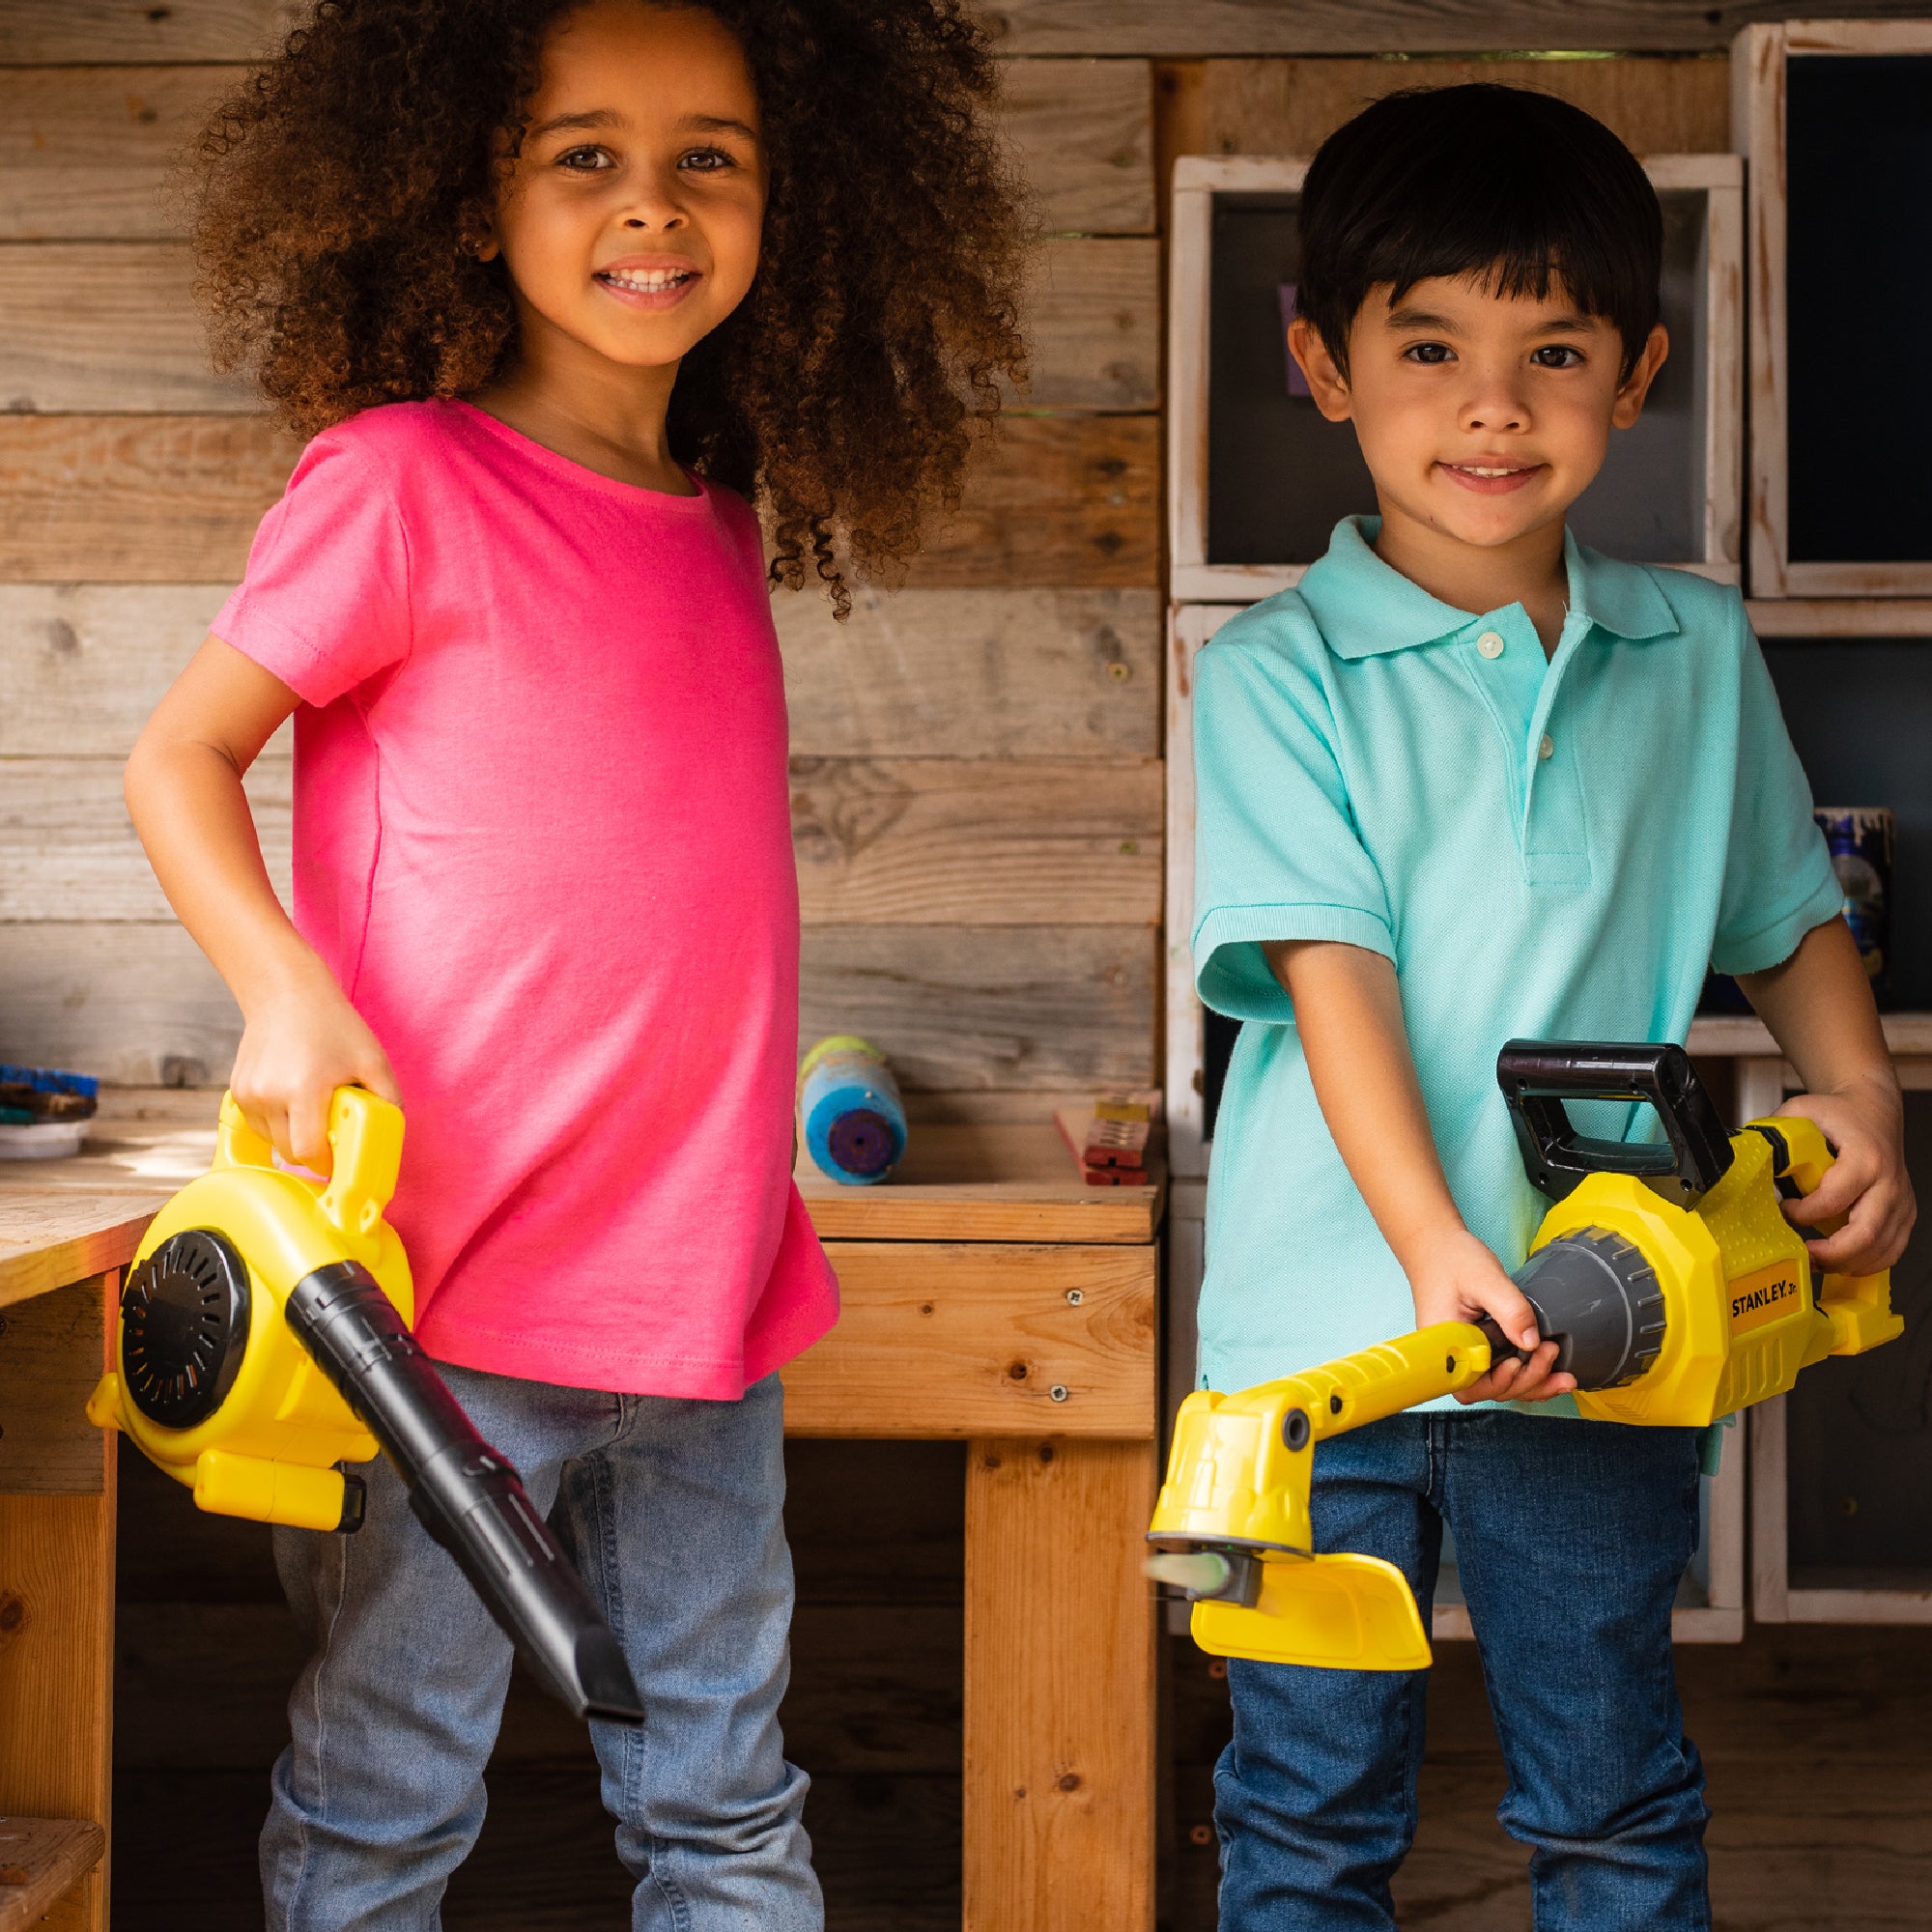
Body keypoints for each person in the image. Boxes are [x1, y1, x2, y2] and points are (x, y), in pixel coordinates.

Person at [122, 4, 1026, 1926]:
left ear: (798, 198)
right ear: (471, 193)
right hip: (435, 1319)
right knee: (385, 1799)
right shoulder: (401, 480)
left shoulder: (715, 525)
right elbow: (176, 756)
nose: (654, 201)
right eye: (583, 154)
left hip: (704, 1306)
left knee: (723, 1801)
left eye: (712, 153)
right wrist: (284, 985)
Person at [1189, 84, 1915, 1930]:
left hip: (1609, 1333)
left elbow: (1785, 916)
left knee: (1609, 1797)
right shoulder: (1273, 675)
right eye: (1425, 346)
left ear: (1639, 370)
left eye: (1554, 350)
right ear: (1322, 366)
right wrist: (1430, 1242)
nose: (1491, 406)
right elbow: (1328, 975)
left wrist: (1869, 1107)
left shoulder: (1695, 650)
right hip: (1320, 1348)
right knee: (1303, 1810)